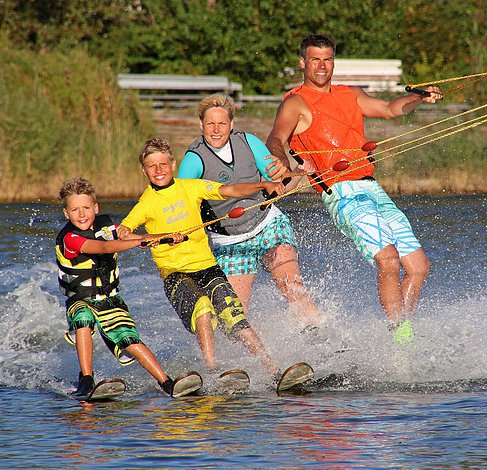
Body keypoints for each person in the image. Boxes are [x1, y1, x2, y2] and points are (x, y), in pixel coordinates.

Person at [266, 34, 443, 343]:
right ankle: (401, 337)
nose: (322, 66)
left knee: (418, 266)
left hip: (372, 188)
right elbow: (276, 140)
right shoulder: (295, 102)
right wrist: (283, 162)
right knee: (387, 258)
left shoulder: (350, 94)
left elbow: (390, 108)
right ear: (302, 63)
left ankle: (400, 332)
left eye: (328, 59)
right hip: (342, 193)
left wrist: (420, 97)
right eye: (315, 60)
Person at [117, 137, 284, 376]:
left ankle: (272, 369)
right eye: (152, 166)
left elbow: (229, 190)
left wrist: (262, 186)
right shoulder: (145, 204)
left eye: (163, 164)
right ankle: (211, 369)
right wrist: (162, 236)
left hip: (208, 268)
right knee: (202, 308)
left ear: (173, 164)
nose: (158, 170)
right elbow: (124, 234)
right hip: (176, 276)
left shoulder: (190, 187)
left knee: (233, 315)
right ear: (144, 171)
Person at [177, 93, 321, 326]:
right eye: (210, 124)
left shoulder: (248, 142)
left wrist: (299, 172)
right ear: (200, 125)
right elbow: (179, 204)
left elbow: (278, 186)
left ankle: (318, 333)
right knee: (234, 316)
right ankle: (244, 359)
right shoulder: (194, 160)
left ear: (231, 124)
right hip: (230, 242)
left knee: (291, 286)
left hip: (268, 224)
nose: (216, 129)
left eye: (222, 123)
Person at [56, 177, 201, 398]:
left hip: (110, 300)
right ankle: (86, 379)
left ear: (96, 207)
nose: (82, 214)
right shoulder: (70, 238)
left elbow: (140, 237)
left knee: (129, 339)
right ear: (66, 213)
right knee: (82, 318)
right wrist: (139, 242)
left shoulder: (108, 226)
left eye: (86, 208)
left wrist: (165, 238)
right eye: (75, 209)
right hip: (81, 299)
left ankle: (167, 383)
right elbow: (104, 247)